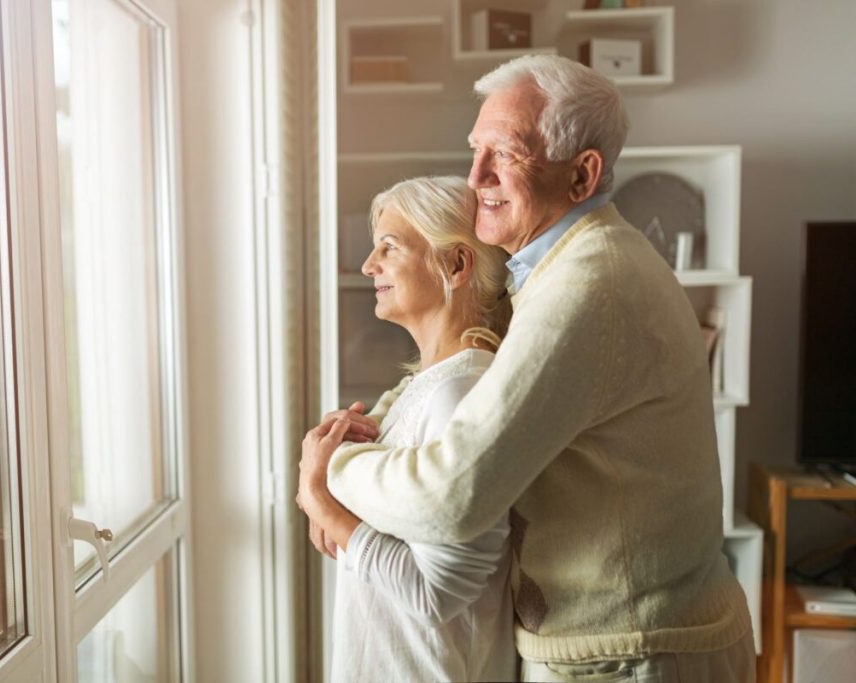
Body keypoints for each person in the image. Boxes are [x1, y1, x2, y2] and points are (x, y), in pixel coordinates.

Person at [298, 55, 756, 683]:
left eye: (503, 153)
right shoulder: (564, 268)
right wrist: (371, 423)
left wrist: (329, 477)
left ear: (581, 175)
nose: (476, 176)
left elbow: (452, 496)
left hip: (631, 656)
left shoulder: (589, 284)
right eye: (474, 149)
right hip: (618, 646)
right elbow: (458, 365)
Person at [296, 176, 518, 682]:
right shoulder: (427, 387)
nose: (368, 265)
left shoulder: (462, 396)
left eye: (388, 248)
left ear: (456, 265)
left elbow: (433, 592)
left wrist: (323, 503)